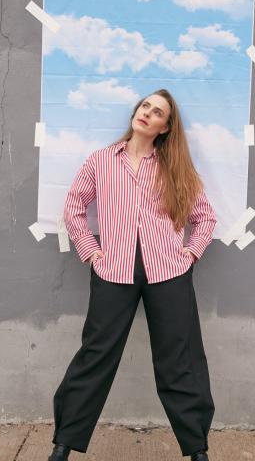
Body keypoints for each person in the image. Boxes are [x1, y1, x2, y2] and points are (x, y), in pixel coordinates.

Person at [48, 89, 217, 461]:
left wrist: (190, 253)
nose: (147, 114)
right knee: (96, 355)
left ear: (165, 127)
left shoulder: (175, 167)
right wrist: (92, 252)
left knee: (179, 361)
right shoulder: (102, 161)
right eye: (145, 106)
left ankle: (197, 449)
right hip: (114, 271)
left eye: (157, 112)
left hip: (168, 273)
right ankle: (63, 445)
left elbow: (204, 217)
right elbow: (74, 208)